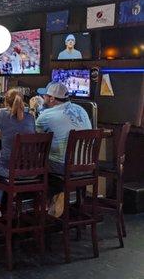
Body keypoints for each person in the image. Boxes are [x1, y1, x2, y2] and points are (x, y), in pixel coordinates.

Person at [35, 82, 92, 217]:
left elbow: (34, 137)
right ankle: (58, 196)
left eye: (45, 95)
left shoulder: (46, 116)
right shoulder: (81, 109)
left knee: (35, 162)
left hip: (65, 167)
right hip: (87, 166)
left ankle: (44, 207)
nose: (43, 97)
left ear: (52, 99)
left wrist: (35, 110)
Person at [0, 89, 36, 218]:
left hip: (10, 170)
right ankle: (11, 203)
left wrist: (1, 133)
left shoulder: (2, 115)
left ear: (5, 101)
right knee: (1, 158)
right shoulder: (31, 117)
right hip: (30, 170)